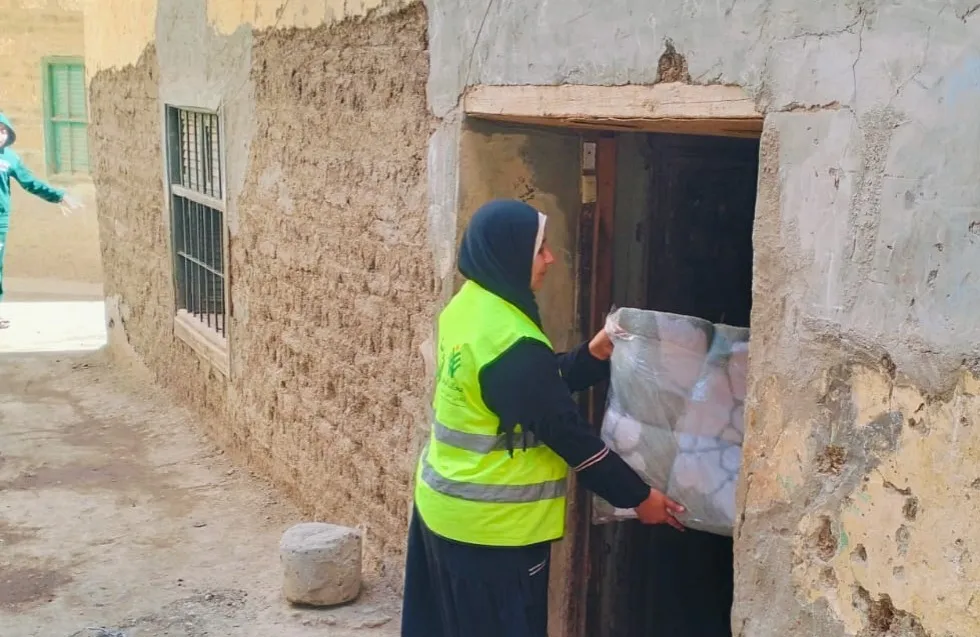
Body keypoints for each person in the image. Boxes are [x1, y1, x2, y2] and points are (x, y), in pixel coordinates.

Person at [401, 199, 685, 637]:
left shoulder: (471, 305)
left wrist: (590, 356)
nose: (550, 258)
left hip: (444, 510)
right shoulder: (511, 343)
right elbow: (569, 435)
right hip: (493, 534)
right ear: (509, 254)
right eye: (540, 249)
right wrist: (639, 497)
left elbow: (529, 389)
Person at [0, 112, 80, 328]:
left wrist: (58, 196)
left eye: (4, 130)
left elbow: (30, 183)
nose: (1, 135)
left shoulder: (10, 159)